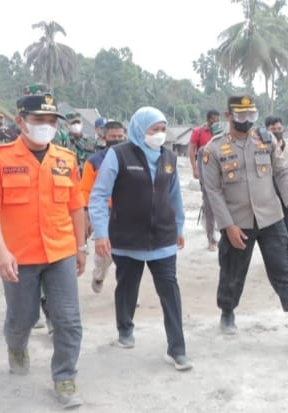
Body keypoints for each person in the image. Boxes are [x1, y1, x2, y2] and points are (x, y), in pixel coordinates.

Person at [0, 93, 85, 408]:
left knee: (68, 319)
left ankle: (64, 377)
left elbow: (76, 206)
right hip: (19, 256)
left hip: (60, 252)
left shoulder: (66, 159)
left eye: (51, 121)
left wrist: (81, 246)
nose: (46, 126)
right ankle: (16, 346)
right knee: (22, 319)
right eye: (39, 120)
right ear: (21, 121)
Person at [202, 95, 288, 342]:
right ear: (229, 116)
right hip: (238, 222)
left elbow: (282, 173)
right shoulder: (213, 149)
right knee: (233, 271)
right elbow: (213, 192)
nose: (247, 120)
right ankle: (227, 313)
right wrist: (228, 226)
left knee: (281, 267)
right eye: (241, 115)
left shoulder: (266, 140)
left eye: (251, 115)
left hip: (271, 217)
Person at [89, 106, 192, 371]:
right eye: (154, 129)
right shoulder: (118, 155)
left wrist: (178, 227)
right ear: (139, 129)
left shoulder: (169, 157)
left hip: (163, 238)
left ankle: (177, 349)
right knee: (127, 287)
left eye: (163, 129)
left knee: (170, 291)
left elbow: (175, 196)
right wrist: (101, 233)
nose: (159, 134)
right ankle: (125, 330)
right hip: (127, 238)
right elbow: (99, 196)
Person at [81, 120, 126, 293]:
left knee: (128, 255)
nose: (117, 140)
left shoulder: (131, 158)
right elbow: (85, 190)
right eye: (113, 136)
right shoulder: (94, 161)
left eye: (120, 136)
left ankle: (128, 290)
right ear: (104, 137)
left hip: (127, 211)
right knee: (104, 254)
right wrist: (87, 215)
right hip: (104, 212)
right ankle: (99, 275)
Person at [189, 109, 220, 250]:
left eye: (218, 120)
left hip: (220, 172)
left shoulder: (220, 133)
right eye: (214, 120)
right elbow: (192, 150)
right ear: (208, 120)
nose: (216, 122)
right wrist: (194, 168)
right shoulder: (198, 132)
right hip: (205, 171)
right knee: (209, 203)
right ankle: (211, 239)